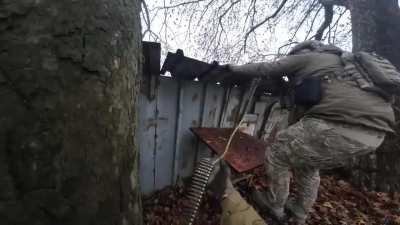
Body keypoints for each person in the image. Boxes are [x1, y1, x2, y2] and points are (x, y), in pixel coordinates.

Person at [214, 41, 395, 224]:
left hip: (338, 124)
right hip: (374, 137)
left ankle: (274, 204)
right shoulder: (349, 68)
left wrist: (233, 68)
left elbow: (268, 67)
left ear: (302, 51)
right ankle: (300, 213)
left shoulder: (309, 57)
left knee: (276, 154)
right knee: (307, 165)